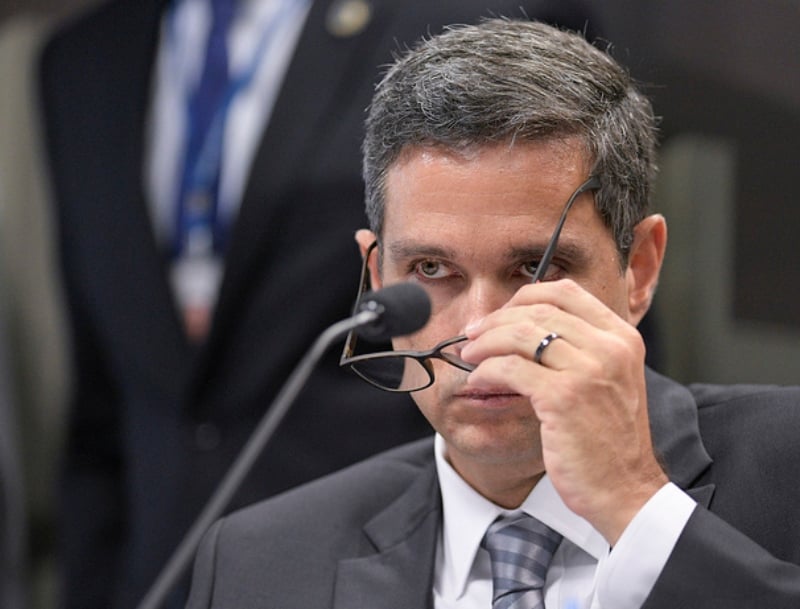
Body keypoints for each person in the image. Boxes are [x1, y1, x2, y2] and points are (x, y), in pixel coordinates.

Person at [184, 18, 800, 609]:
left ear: (638, 269)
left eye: (536, 269)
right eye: (431, 269)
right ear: (376, 278)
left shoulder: (786, 466)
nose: (479, 335)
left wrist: (637, 505)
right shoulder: (258, 562)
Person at [38, 2, 598, 608]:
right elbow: (99, 403)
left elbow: (585, 306)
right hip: (155, 569)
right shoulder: (80, 58)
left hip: (395, 569)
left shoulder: (468, 13)